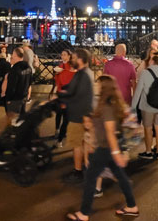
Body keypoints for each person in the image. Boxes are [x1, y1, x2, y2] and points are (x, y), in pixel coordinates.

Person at [66, 75, 139, 221]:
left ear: (103, 87)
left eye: (98, 84)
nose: (96, 86)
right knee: (121, 177)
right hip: (108, 148)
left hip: (107, 149)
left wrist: (116, 152)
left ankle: (84, 213)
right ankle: (132, 207)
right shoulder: (111, 104)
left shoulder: (107, 107)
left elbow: (110, 132)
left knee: (90, 178)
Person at [58, 48, 95, 183]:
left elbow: (81, 95)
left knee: (77, 144)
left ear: (80, 59)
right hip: (83, 115)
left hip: (78, 116)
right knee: (85, 144)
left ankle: (78, 171)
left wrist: (61, 96)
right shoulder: (86, 73)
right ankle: (86, 169)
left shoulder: (82, 75)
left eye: (73, 58)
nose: (72, 60)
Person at [1, 47, 33, 124]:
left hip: (15, 99)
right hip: (23, 97)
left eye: (12, 54)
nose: (11, 56)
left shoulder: (14, 70)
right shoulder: (28, 67)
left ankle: (12, 134)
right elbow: (29, 82)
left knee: (13, 120)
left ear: (15, 55)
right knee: (21, 118)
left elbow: (11, 87)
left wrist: (8, 99)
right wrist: (28, 94)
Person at [53, 49, 76, 146]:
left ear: (69, 56)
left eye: (65, 55)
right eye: (62, 55)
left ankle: (61, 136)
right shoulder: (60, 66)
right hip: (60, 93)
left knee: (66, 116)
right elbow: (57, 80)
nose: (63, 56)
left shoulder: (72, 67)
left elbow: (73, 78)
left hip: (68, 95)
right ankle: (57, 129)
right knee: (59, 113)